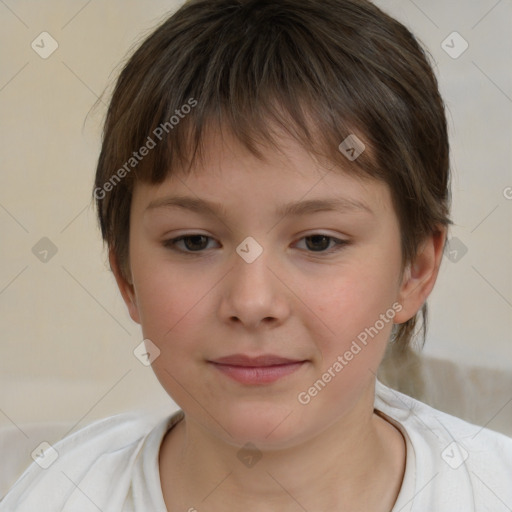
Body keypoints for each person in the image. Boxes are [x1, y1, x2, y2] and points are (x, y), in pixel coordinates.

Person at [2, 0, 511, 511]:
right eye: (194, 242)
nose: (252, 301)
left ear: (415, 271)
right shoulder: (57, 496)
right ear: (126, 275)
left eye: (318, 242)